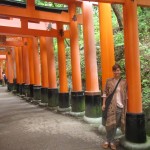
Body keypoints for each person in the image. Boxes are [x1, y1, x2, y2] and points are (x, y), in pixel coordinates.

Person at [101, 64, 127, 150]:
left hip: (120, 106)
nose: (117, 72)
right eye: (115, 70)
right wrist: (104, 104)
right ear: (113, 71)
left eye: (118, 70)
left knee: (115, 125)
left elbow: (126, 93)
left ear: (120, 71)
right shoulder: (109, 81)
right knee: (109, 124)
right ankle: (107, 140)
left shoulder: (124, 82)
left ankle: (112, 141)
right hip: (111, 106)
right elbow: (105, 93)